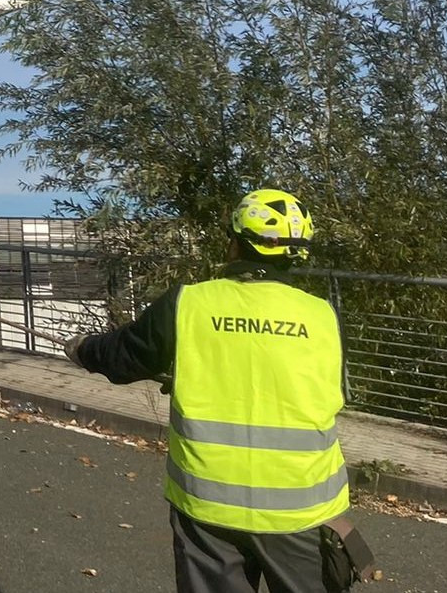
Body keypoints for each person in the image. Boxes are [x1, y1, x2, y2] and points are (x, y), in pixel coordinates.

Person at [64, 189, 368, 593]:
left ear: (236, 242)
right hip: (301, 510)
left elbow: (124, 358)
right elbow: (319, 388)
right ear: (298, 253)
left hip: (208, 506)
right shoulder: (322, 315)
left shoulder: (189, 303)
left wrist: (83, 349)